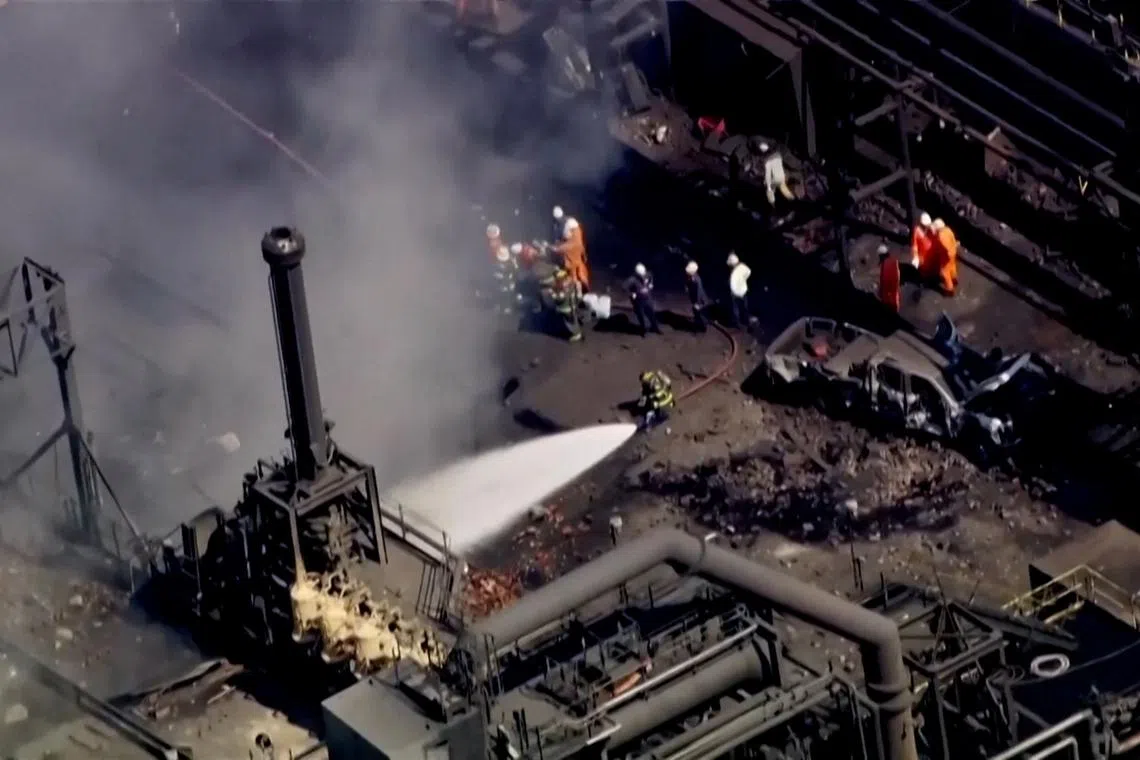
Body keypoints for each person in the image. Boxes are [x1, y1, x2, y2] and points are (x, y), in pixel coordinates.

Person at [544, 268, 583, 342]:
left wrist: (552, 294)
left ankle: (576, 334)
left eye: (557, 279)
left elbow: (560, 298)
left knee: (570, 321)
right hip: (569, 306)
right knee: (568, 320)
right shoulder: (569, 282)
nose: (556, 280)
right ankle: (570, 331)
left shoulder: (564, 287)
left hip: (567, 308)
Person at [555, 217, 591, 291]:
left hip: (574, 263)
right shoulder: (578, 233)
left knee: (576, 277)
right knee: (580, 276)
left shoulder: (572, 238)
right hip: (577, 262)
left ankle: (580, 291)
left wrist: (557, 248)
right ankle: (583, 290)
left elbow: (566, 246)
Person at [625, 263, 660, 336]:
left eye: (643, 274)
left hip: (647, 298)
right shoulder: (632, 279)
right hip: (638, 301)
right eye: (641, 275)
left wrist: (651, 284)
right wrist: (632, 293)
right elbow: (624, 287)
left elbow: (651, 276)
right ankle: (643, 330)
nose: (643, 276)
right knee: (641, 315)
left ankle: (655, 328)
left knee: (651, 313)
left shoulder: (648, 274)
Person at [931, 218, 959, 296]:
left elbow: (945, 247)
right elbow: (953, 239)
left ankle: (949, 289)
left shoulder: (941, 236)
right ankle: (954, 278)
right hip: (953, 252)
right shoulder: (948, 229)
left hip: (947, 256)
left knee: (945, 272)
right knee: (952, 266)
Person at [725, 253, 755, 327]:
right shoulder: (741, 267)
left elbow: (730, 282)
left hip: (736, 292)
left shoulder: (733, 272)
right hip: (742, 290)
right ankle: (745, 321)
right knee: (744, 306)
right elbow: (748, 272)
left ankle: (738, 323)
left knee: (736, 307)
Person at [684, 261, 710, 332]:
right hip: (694, 299)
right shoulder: (690, 277)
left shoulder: (697, 280)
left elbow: (699, 292)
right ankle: (698, 323)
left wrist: (698, 304)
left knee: (700, 313)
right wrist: (687, 287)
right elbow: (688, 283)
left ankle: (703, 327)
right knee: (695, 311)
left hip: (700, 300)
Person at [493, 245, 520, 314]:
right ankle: (501, 306)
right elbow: (494, 273)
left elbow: (516, 271)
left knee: (509, 294)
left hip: (509, 281)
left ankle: (509, 307)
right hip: (502, 283)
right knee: (502, 294)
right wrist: (499, 276)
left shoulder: (512, 261)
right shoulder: (496, 263)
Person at [877, 244, 901, 312]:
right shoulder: (893, 260)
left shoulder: (886, 263)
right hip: (894, 295)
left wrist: (881, 290)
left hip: (888, 298)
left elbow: (884, 280)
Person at [911, 212, 935, 277]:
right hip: (922, 254)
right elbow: (915, 245)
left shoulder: (932, 228)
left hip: (932, 251)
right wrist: (915, 256)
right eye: (925, 225)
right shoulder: (917, 230)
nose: (927, 226)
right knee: (924, 268)